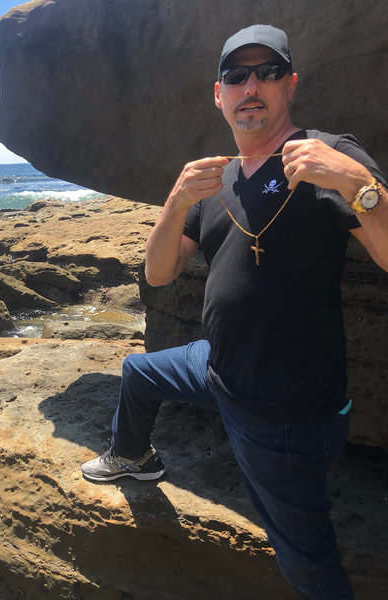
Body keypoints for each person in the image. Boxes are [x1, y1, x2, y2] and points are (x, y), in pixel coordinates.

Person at [80, 24, 388, 600]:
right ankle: (132, 455)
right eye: (236, 75)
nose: (252, 86)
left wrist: (358, 184)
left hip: (284, 413)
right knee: (138, 370)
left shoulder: (327, 157)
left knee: (307, 561)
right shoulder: (218, 179)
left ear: (290, 84)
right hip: (217, 367)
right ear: (217, 94)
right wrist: (176, 201)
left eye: (268, 72)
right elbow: (159, 273)